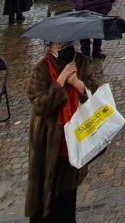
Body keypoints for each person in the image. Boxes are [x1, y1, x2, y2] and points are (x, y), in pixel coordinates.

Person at [25, 40, 98, 222]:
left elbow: (95, 97)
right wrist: (59, 82)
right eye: (58, 44)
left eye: (66, 43)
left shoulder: (80, 62)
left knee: (67, 198)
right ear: (50, 46)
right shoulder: (41, 69)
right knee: (45, 195)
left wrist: (78, 84)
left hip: (73, 140)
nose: (63, 47)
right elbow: (39, 106)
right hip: (47, 143)